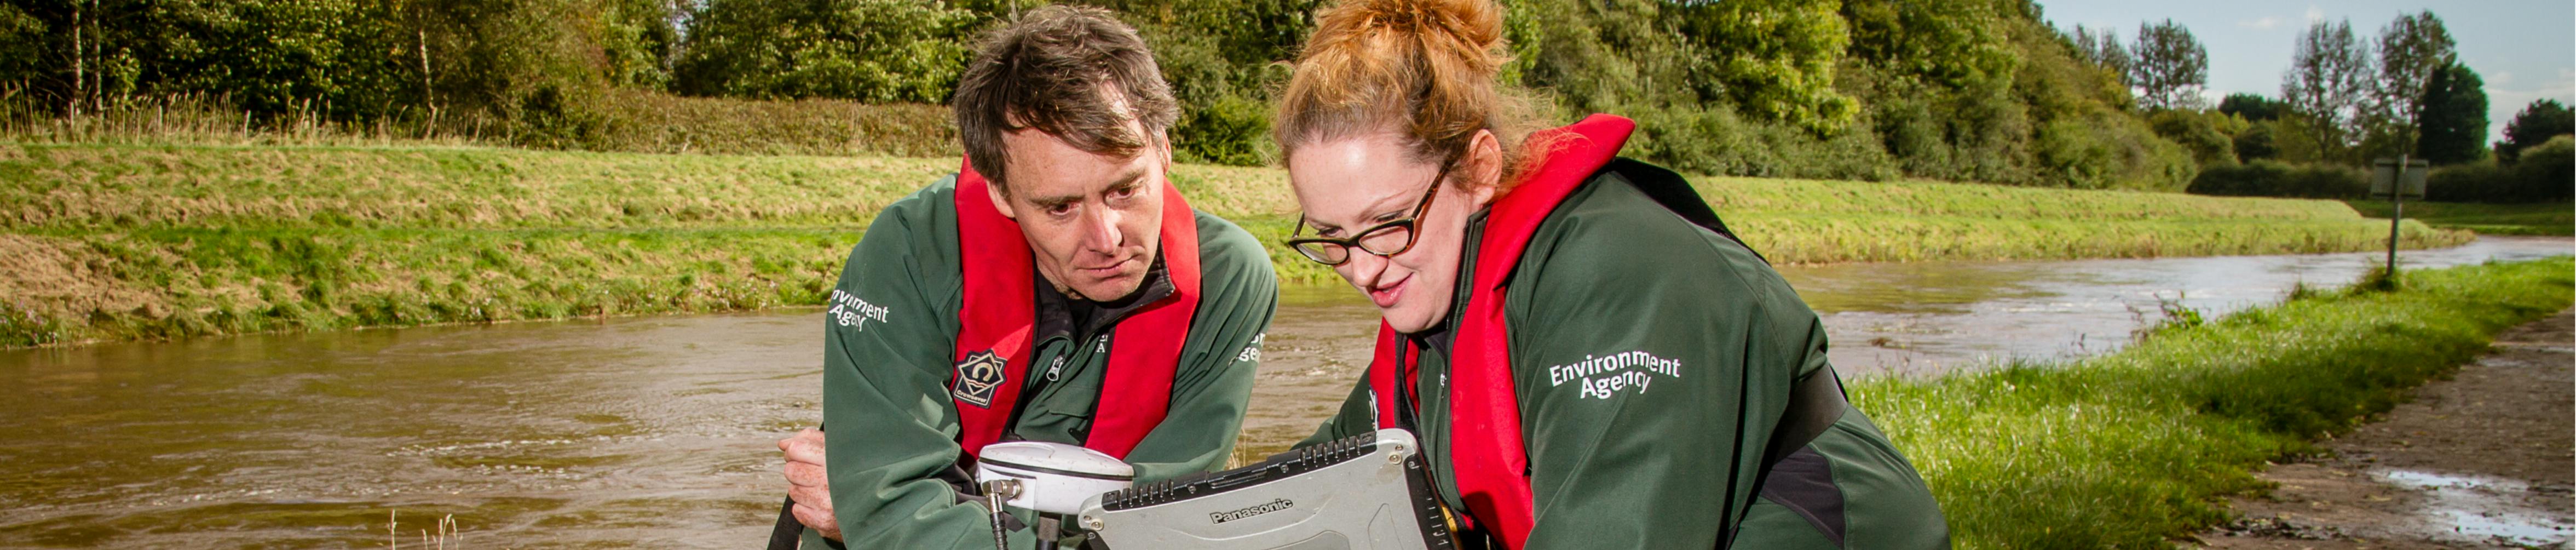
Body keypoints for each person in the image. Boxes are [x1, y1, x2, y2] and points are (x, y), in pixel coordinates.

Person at [1273, 0, 1949, 548]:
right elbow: (1329, 469)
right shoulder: (1428, 298)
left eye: (1388, 223)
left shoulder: (1615, 273)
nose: (1362, 268)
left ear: (1477, 168)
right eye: (1331, 239)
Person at [771, 6, 1278, 549]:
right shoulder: (910, 253)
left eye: (1124, 190)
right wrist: (879, 508)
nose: (1106, 238)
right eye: (1059, 207)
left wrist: (886, 507)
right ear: (1000, 192)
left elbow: (1164, 522)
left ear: (1164, 150)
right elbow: (891, 506)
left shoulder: (1230, 284)